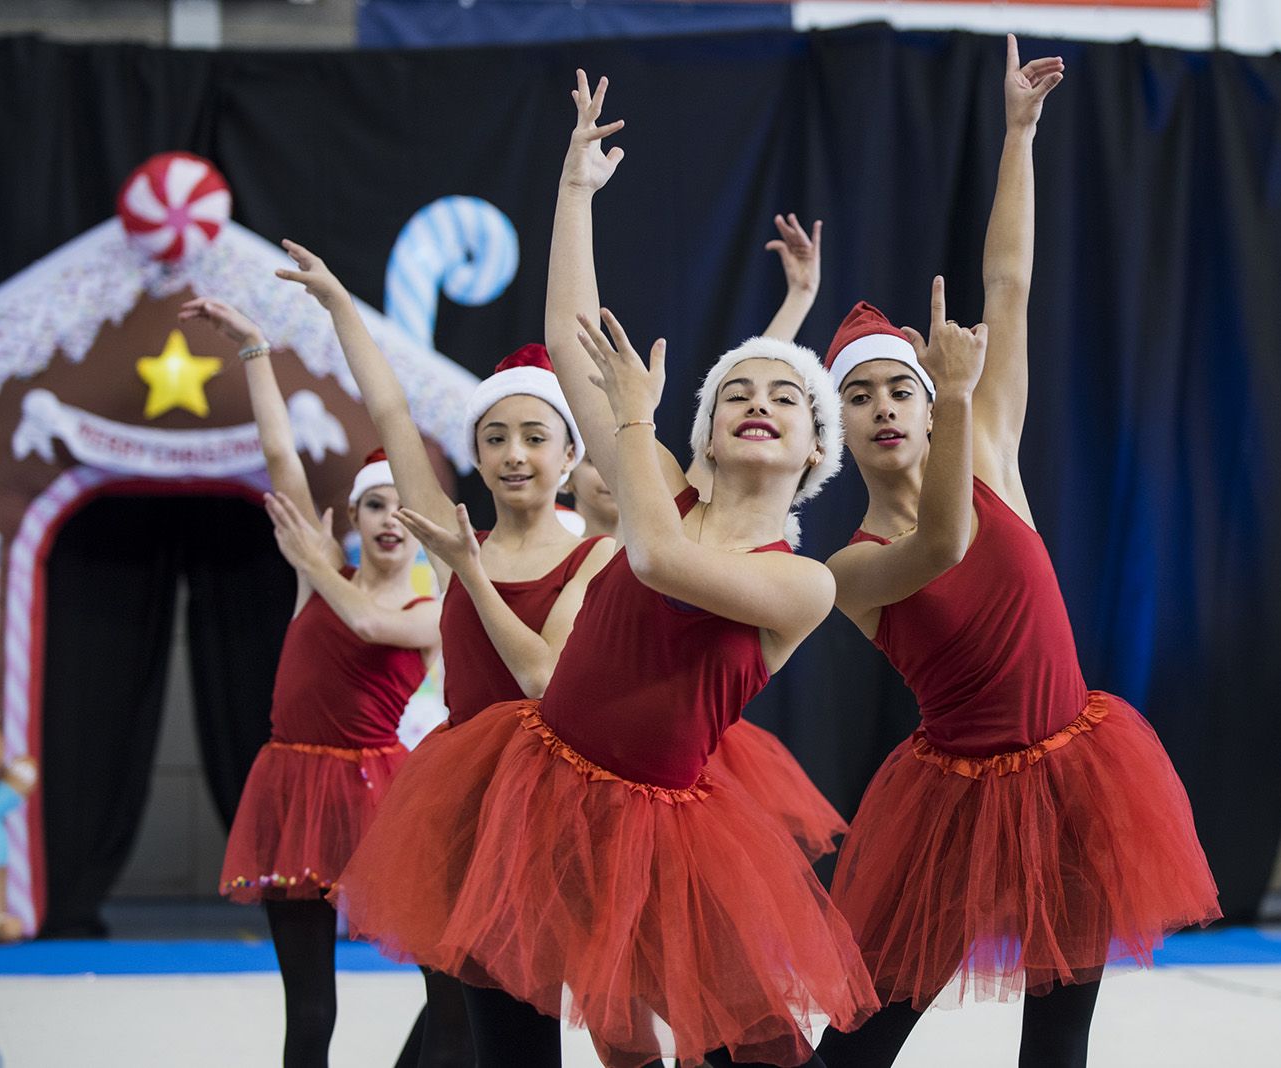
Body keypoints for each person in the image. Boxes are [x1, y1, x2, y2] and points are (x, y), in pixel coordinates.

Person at [327, 70, 878, 1067]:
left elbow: (660, 560)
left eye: (784, 398)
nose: (758, 399)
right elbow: (582, 359)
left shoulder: (804, 581)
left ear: (814, 451)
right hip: (536, 784)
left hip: (668, 827)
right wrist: (574, 193)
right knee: (517, 1027)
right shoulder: (660, 488)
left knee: (748, 1046)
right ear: (707, 432)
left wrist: (631, 419)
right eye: (736, 391)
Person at [814, 37, 1220, 1068]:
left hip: (1081, 777)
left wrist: (1018, 136)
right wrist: (948, 393)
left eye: (897, 387)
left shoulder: (987, 445)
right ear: (835, 431)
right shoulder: (851, 567)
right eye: (857, 398)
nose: (883, 410)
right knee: (862, 1041)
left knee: (1058, 1045)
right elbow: (942, 541)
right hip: (948, 805)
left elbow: (1009, 282)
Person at [184, 297, 440, 1068]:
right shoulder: (318, 574)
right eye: (373, 505)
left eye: (402, 506)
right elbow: (280, 455)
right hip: (292, 787)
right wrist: (256, 350)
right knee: (310, 1006)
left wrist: (316, 568)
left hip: (378, 796)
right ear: (355, 517)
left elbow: (367, 626)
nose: (390, 519)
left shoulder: (433, 608)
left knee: (448, 982)